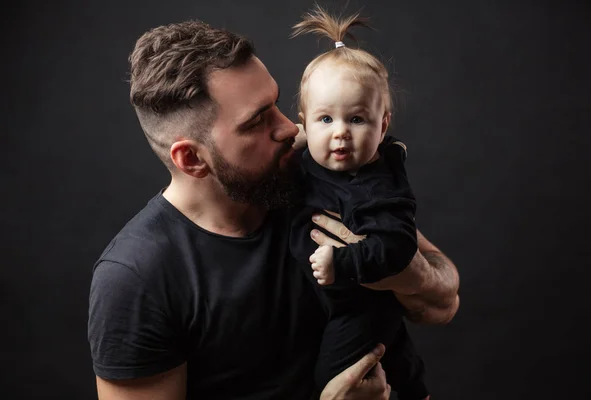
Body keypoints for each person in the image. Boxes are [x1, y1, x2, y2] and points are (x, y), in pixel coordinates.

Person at [87, 18, 460, 400]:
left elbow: (444, 302)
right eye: (257, 121)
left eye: (276, 104)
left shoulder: (307, 171)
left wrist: (403, 273)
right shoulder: (136, 278)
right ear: (192, 159)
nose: (289, 128)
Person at [288, 7, 428, 398]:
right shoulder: (306, 160)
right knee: (396, 350)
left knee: (333, 377)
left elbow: (399, 245)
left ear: (383, 125)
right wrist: (296, 141)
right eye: (325, 120)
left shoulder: (381, 185)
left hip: (358, 304)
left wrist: (344, 261)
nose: (341, 135)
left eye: (357, 120)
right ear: (304, 122)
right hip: (321, 298)